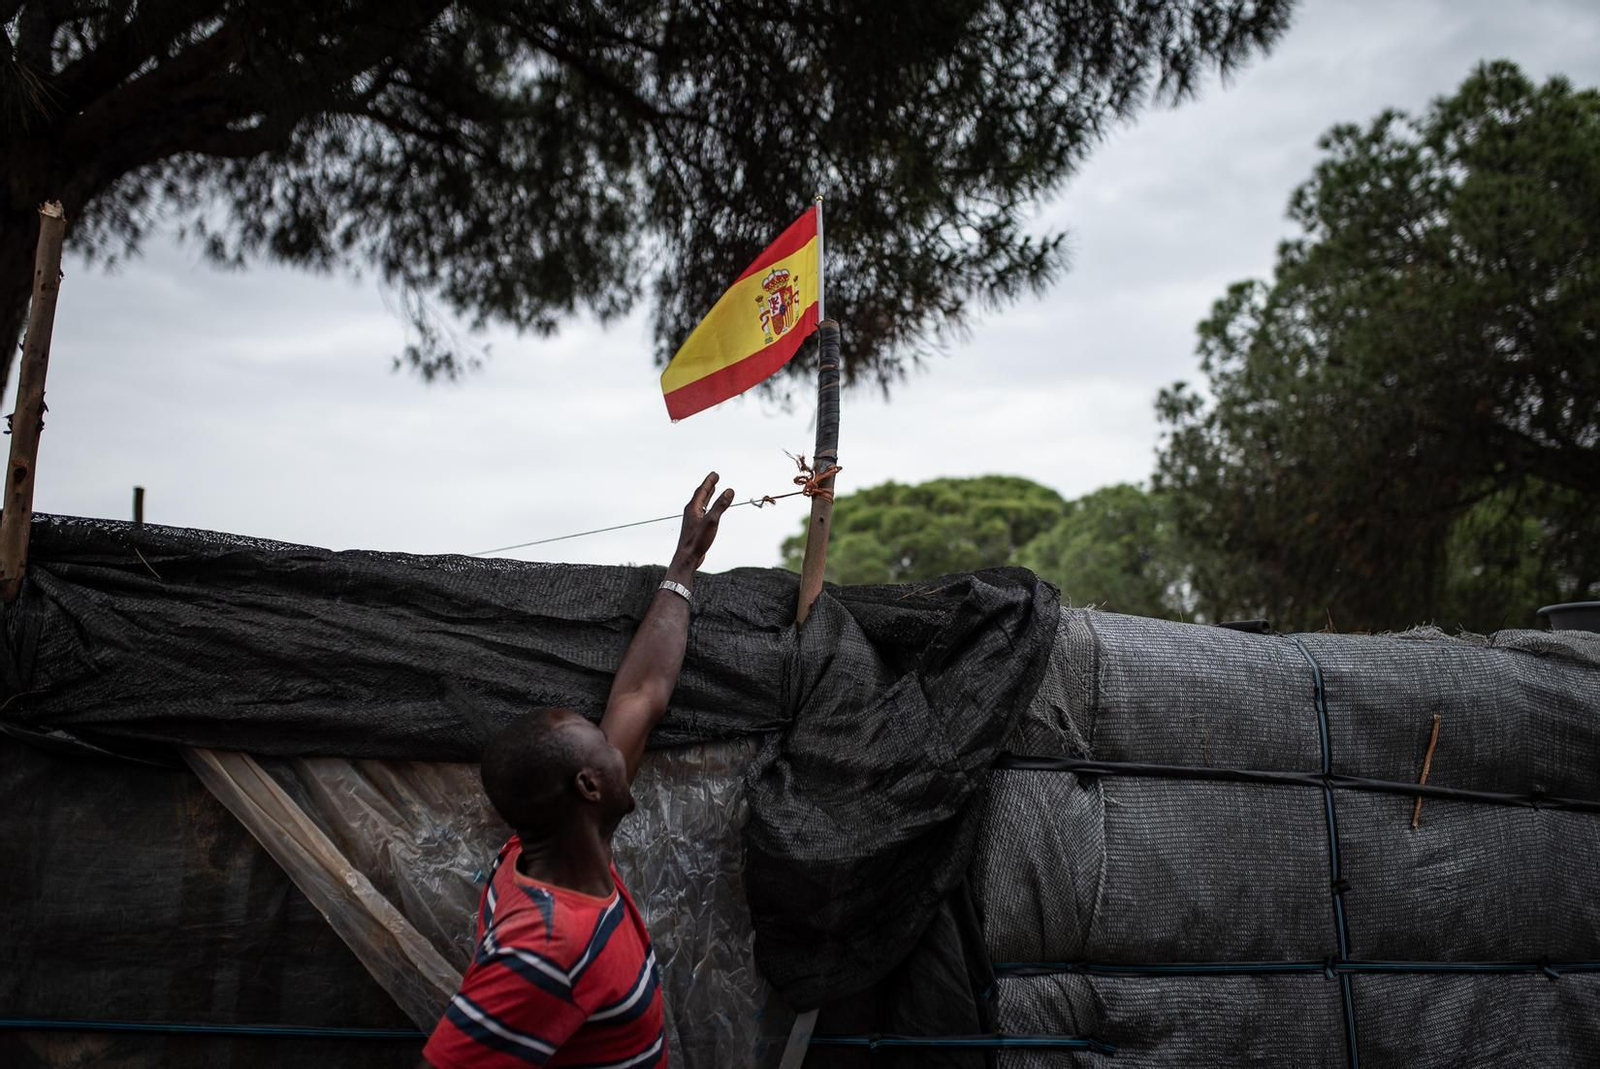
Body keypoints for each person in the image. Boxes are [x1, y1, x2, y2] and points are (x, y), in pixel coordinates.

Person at [423, 473, 736, 1068]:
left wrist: (685, 563)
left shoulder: (545, 857)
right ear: (589, 787)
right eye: (599, 740)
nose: (613, 737)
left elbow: (640, 695)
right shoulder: (547, 948)